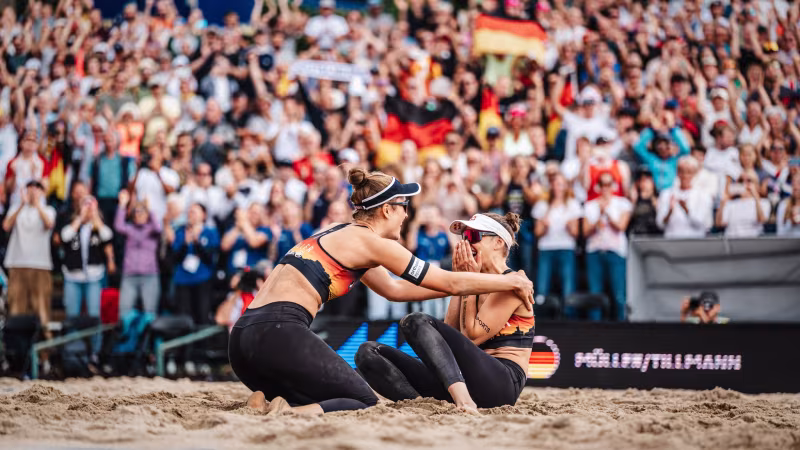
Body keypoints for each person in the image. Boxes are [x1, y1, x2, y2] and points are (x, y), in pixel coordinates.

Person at [230, 168, 533, 416]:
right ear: (387, 209)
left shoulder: (340, 231)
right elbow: (450, 284)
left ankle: (269, 403)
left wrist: (470, 280)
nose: (406, 215)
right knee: (363, 401)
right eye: (404, 207)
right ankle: (289, 414)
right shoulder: (375, 244)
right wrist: (513, 281)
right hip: (279, 332)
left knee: (334, 388)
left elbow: (393, 289)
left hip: (242, 340)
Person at [356, 213, 532, 409]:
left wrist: (466, 280)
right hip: (468, 378)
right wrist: (461, 282)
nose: (466, 243)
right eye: (463, 237)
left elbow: (472, 336)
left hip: (501, 383)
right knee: (368, 353)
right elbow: (447, 339)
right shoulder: (474, 277)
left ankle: (464, 402)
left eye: (473, 236)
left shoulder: (515, 282)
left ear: (498, 242)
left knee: (415, 320)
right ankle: (422, 406)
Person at [59, 195, 115, 357]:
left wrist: (95, 217)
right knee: (72, 316)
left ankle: (94, 353)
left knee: (94, 316)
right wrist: (80, 218)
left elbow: (107, 236)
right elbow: (65, 237)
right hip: (72, 276)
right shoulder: (72, 224)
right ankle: (72, 351)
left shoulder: (97, 227)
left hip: (93, 277)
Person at [2, 180, 56, 334]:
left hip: (41, 266)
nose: (33, 192)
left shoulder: (48, 209)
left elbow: (49, 224)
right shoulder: (15, 208)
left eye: (37, 189)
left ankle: (44, 352)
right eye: (30, 189)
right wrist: (21, 204)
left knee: (42, 309)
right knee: (16, 308)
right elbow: (6, 225)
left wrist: (37, 204)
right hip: (17, 264)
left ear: (42, 192)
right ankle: (17, 350)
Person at [584, 171, 632, 321]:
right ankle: (594, 332)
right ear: (598, 187)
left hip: (615, 252)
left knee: (618, 294)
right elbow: (585, 231)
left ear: (613, 186)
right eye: (602, 184)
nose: (605, 188)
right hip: (594, 252)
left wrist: (608, 214)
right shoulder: (590, 205)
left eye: (608, 184)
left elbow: (622, 226)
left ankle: (621, 330)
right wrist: (598, 218)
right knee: (595, 294)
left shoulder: (623, 203)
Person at [168, 203, 220, 324]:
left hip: (202, 280)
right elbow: (174, 258)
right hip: (183, 281)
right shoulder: (181, 232)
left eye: (195, 211)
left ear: (204, 215)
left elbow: (210, 258)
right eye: (190, 212)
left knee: (202, 316)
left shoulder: (210, 232)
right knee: (184, 319)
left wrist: (197, 242)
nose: (191, 214)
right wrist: (185, 244)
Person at [533, 173, 581, 299]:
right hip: (546, 248)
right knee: (542, 286)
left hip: (566, 247)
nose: (557, 187)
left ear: (565, 186)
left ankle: (569, 315)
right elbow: (537, 232)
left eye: (560, 184)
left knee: (568, 285)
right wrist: (548, 214)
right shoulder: (542, 205)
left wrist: (569, 227)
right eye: (555, 184)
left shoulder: (572, 204)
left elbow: (575, 233)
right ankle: (541, 313)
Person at [114, 190, 162, 317]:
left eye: (142, 212)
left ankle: (149, 337)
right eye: (137, 212)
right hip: (130, 275)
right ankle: (129, 337)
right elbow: (119, 226)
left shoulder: (151, 230)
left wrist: (149, 209)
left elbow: (158, 227)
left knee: (150, 313)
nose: (139, 215)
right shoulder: (130, 229)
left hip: (149, 276)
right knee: (124, 313)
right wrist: (122, 206)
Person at [656, 156, 713, 238]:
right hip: (671, 242)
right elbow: (660, 224)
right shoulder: (666, 194)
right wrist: (669, 212)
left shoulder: (703, 195)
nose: (685, 175)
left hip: (695, 241)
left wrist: (687, 210)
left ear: (695, 173)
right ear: (677, 173)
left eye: (689, 172)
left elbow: (703, 224)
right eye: (681, 171)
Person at [716, 169, 771, 237]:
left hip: (752, 240)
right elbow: (719, 224)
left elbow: (762, 220)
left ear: (756, 184)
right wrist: (722, 204)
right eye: (741, 181)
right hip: (732, 240)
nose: (744, 184)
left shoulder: (764, 202)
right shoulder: (731, 203)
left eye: (749, 180)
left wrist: (756, 197)